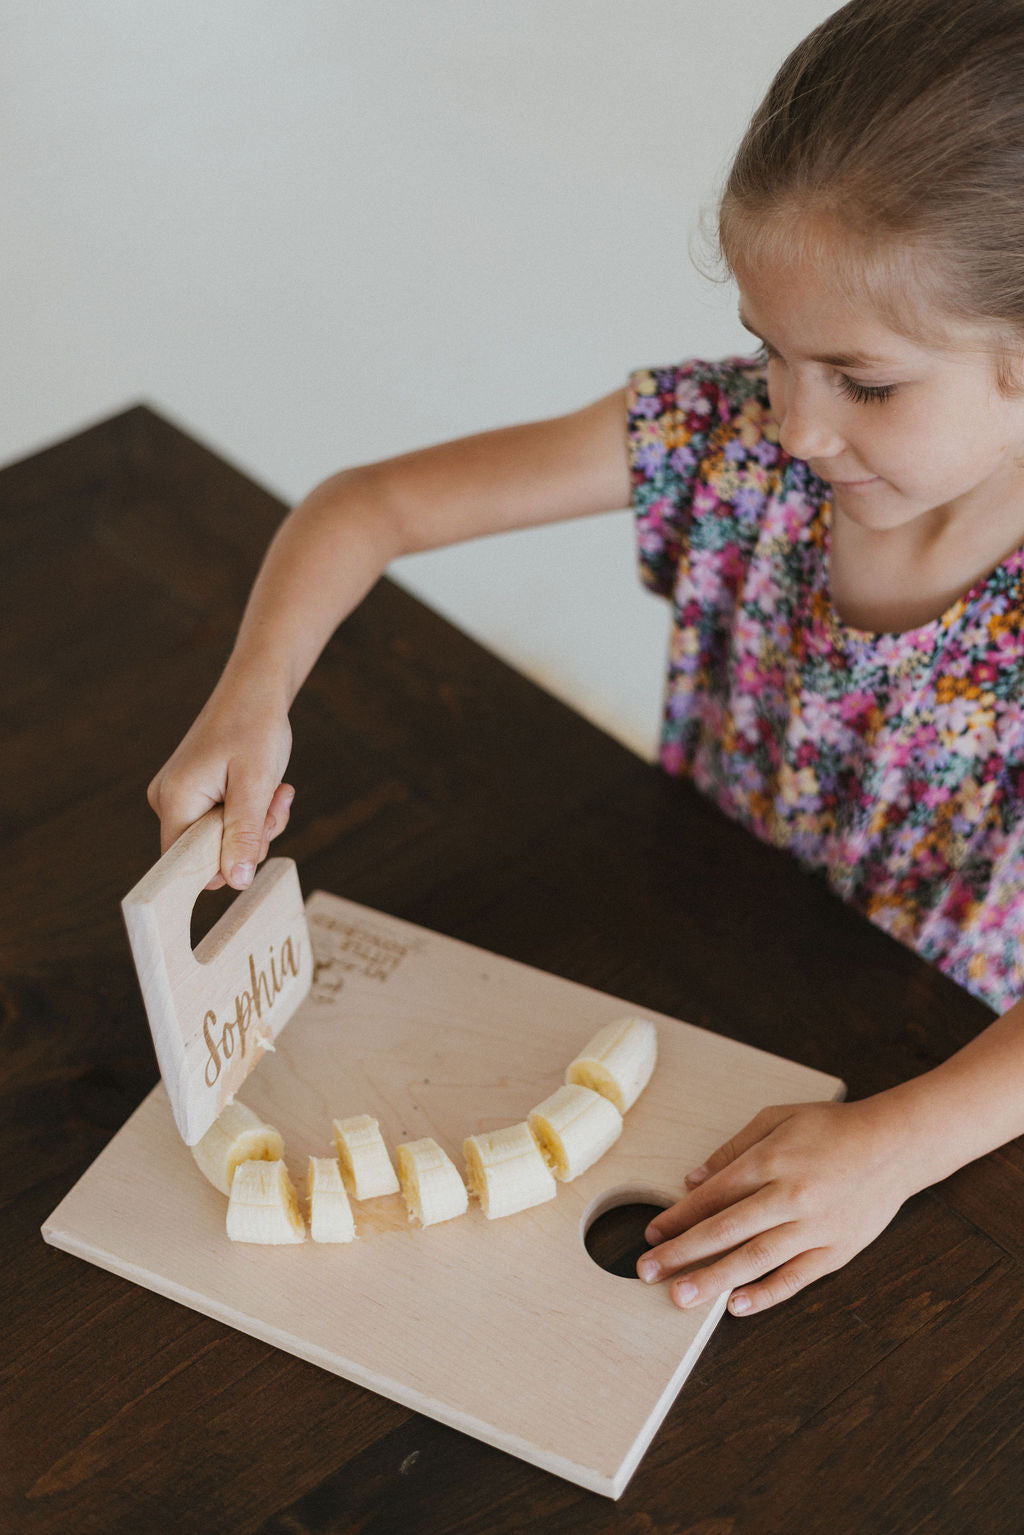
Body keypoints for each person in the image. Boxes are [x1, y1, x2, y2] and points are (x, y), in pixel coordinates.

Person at [148, 0, 1024, 1319]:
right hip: (687, 930)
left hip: (947, 1057)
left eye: (865, 383)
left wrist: (896, 1148)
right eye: (771, 351)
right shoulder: (725, 436)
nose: (794, 425)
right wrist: (251, 694)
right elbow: (366, 506)